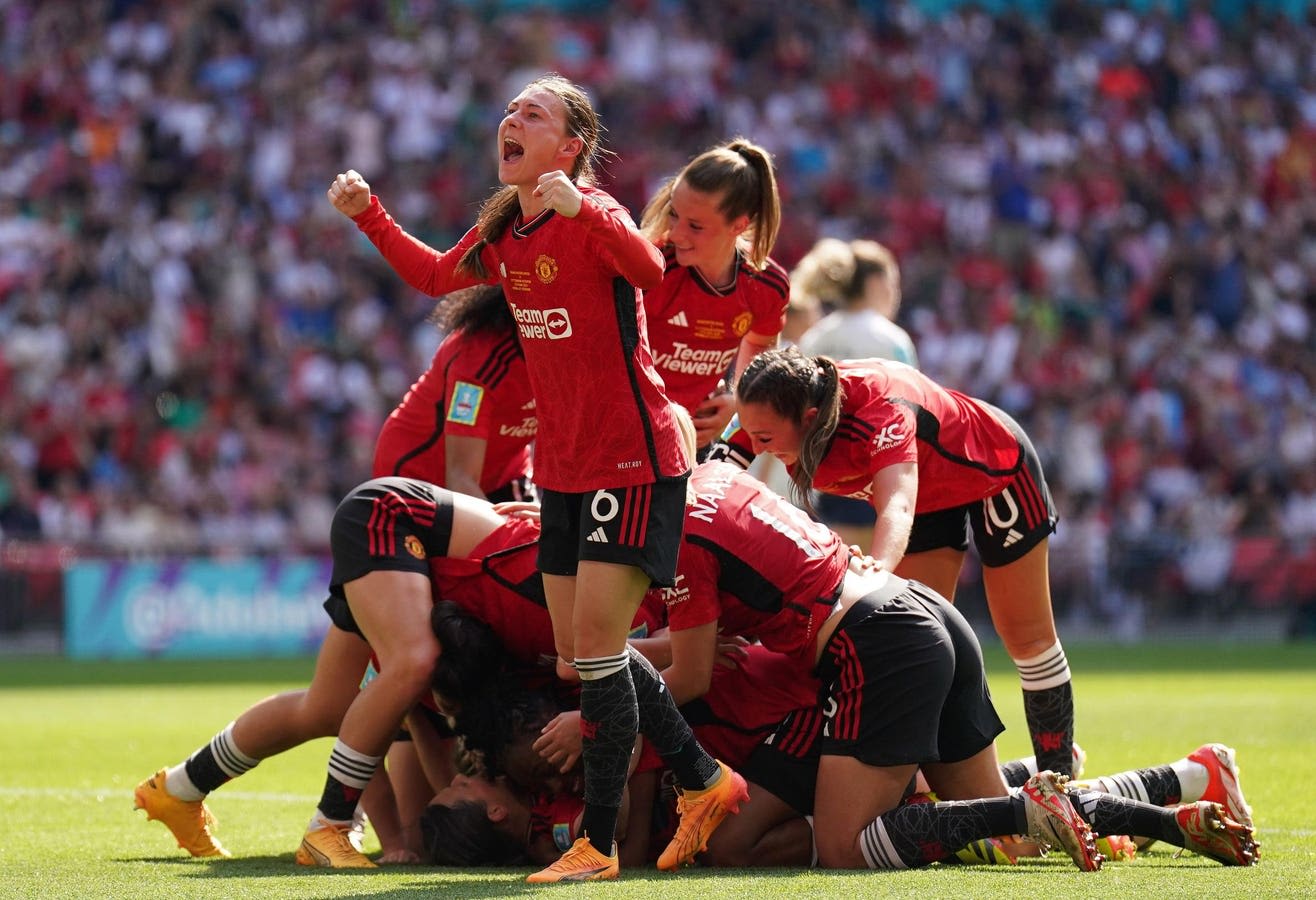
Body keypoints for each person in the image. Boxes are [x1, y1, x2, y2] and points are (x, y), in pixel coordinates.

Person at [328, 74, 746, 882]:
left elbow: (651, 274)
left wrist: (582, 206)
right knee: (572, 657)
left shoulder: (593, 214)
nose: (512, 119)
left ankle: (594, 844)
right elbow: (435, 276)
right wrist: (368, 216)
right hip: (562, 467)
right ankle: (704, 779)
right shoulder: (507, 234)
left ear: (571, 147)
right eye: (511, 109)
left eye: (535, 112)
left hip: (634, 456)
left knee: (594, 653)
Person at [656, 460, 1258, 871]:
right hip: (920, 611)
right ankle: (1180, 788)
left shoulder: (679, 532)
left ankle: (1038, 802)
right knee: (1011, 838)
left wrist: (600, 668)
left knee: (848, 846)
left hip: (874, 643)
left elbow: (692, 668)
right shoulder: (724, 483)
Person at [717, 348, 1080, 782]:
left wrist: (880, 570)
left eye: (765, 440)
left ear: (810, 418)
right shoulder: (769, 406)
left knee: (1027, 637)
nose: (757, 451)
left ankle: (1062, 785)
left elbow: (898, 503)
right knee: (921, 647)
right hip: (928, 495)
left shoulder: (881, 408)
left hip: (992, 468)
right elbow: (715, 484)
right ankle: (952, 785)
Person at [133, 477, 537, 866]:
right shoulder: (522, 642)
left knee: (327, 708)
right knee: (407, 669)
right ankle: (331, 825)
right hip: (399, 533)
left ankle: (179, 788)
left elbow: (369, 730)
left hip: (415, 559)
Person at [639, 138, 789, 449]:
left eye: (695, 226)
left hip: (696, 445)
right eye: (673, 214)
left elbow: (760, 351)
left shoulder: (767, 285)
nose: (677, 233)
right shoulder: (649, 265)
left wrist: (737, 401)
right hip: (626, 434)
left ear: (738, 225)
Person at [795, 238, 918, 547]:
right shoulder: (892, 340)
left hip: (821, 483)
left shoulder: (814, 338)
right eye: (893, 284)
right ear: (877, 282)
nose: (895, 295)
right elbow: (910, 412)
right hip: (877, 482)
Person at [374, 284, 536, 502]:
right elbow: (460, 480)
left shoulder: (577, 353)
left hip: (505, 475)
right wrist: (506, 534)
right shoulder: (478, 360)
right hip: (420, 480)